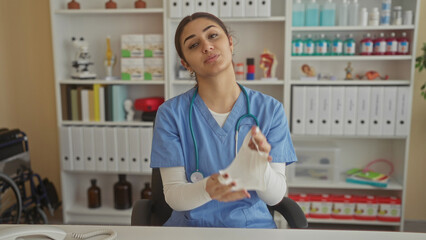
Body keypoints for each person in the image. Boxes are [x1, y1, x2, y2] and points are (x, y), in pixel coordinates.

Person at [150, 12, 297, 228]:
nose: (207, 46)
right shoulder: (171, 113)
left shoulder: (270, 110)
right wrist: (208, 187)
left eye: (213, 36)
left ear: (229, 43)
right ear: (185, 64)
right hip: (190, 229)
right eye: (193, 45)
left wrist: (259, 167)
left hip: (251, 228)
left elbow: (275, 197)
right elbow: (174, 195)